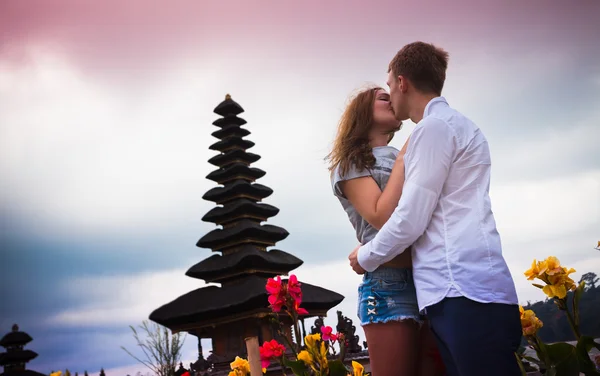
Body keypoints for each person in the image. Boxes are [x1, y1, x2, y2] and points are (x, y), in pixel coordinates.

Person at [348, 41, 521, 376]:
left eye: (388, 86)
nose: (390, 94)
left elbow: (410, 219)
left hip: (461, 290)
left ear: (402, 82)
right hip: (468, 288)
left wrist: (366, 256)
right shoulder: (459, 126)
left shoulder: (433, 128)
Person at [327, 86, 442, 376]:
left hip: (433, 278)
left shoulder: (412, 151)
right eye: (382, 97)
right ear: (362, 111)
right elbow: (382, 216)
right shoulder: (352, 162)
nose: (391, 100)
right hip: (389, 285)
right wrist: (403, 159)